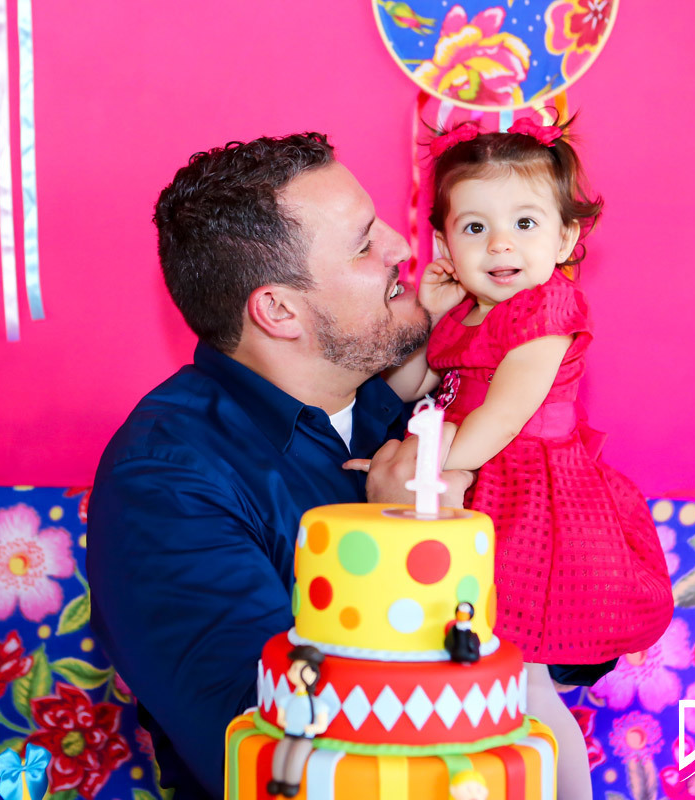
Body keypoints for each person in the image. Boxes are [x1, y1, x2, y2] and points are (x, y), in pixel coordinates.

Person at [86, 132, 472, 799]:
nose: (402, 248)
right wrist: (403, 540)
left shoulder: (422, 406)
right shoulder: (167, 481)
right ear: (278, 310)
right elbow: (276, 758)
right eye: (363, 245)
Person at [381, 116, 674, 799]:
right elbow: (410, 389)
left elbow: (503, 414)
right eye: (474, 227)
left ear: (566, 238)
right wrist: (427, 318)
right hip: (470, 483)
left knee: (524, 680)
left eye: (524, 223)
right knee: (477, 671)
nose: (500, 243)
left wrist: (430, 473)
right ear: (444, 242)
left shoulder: (549, 308)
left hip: (530, 499)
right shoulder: (463, 315)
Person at [269, 645, 329, 798]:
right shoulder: (287, 700)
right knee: (280, 752)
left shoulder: (317, 704)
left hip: (304, 736)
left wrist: (312, 728)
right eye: (293, 667)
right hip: (289, 733)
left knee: (296, 757)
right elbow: (280, 717)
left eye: (297, 668)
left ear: (311, 674)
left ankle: (291, 783)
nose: (292, 672)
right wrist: (283, 722)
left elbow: (322, 725)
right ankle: (277, 780)